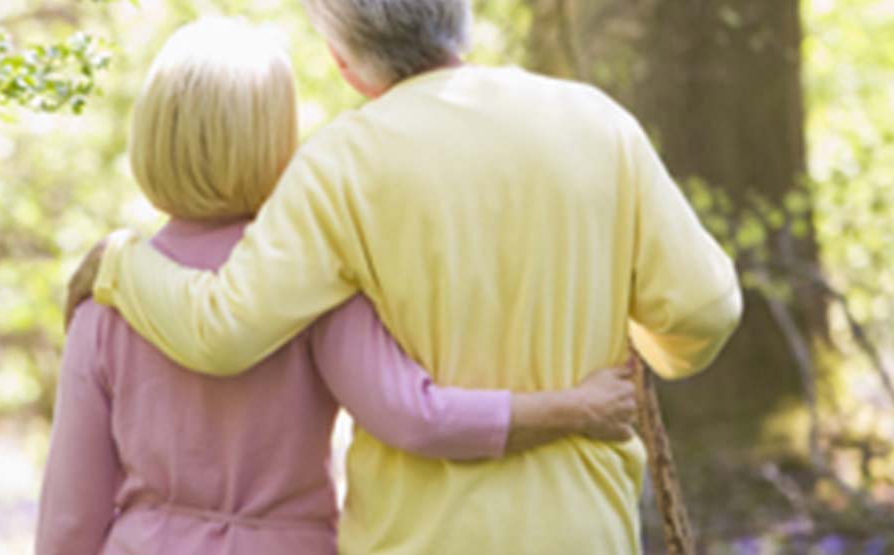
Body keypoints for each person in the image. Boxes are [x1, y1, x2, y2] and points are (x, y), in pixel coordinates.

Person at [67, 1, 745, 553]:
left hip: (416, 538)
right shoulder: (595, 122)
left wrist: (119, 263)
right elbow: (706, 310)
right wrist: (638, 347)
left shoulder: (341, 164)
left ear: (342, 58)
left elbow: (223, 331)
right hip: (580, 526)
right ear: (461, 18)